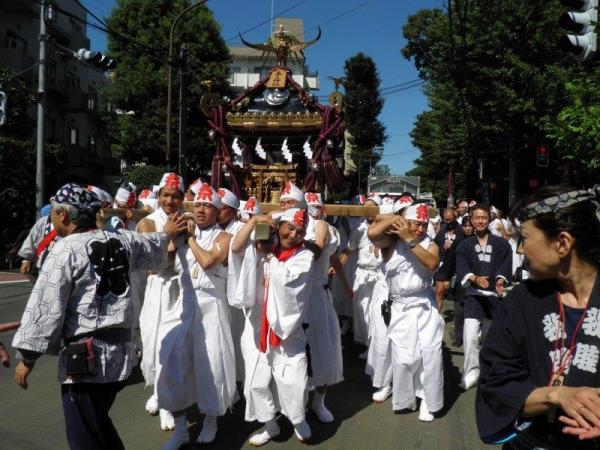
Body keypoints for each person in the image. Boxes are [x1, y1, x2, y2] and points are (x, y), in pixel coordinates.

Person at [12, 183, 187, 450]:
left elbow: (46, 306)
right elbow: (154, 247)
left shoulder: (65, 250)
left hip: (86, 359)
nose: (52, 219)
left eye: (55, 213)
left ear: (65, 216)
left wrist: (28, 357)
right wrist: (168, 234)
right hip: (121, 355)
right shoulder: (122, 239)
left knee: (83, 433)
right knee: (96, 422)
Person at [477, 185, 600, 449]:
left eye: (525, 238)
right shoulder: (521, 301)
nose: (521, 250)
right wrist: (556, 395)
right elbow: (496, 382)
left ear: (562, 243)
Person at [158, 183, 235, 449]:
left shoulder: (224, 238)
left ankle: (211, 419)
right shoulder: (181, 232)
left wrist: (189, 239)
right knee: (171, 364)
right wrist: (171, 242)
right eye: (198, 205)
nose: (201, 210)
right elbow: (163, 267)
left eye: (208, 206)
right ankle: (180, 430)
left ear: (218, 211)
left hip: (211, 307)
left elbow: (208, 262)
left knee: (211, 366)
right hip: (185, 305)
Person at [230, 208, 313, 446]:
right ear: (280, 226)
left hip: (287, 328)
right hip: (257, 324)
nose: (294, 234)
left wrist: (271, 258)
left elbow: (290, 284)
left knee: (295, 379)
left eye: (300, 231)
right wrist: (257, 223)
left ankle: (298, 419)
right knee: (255, 381)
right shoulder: (263, 244)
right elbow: (236, 251)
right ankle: (270, 425)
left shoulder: (304, 256)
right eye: (290, 227)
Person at [368, 203, 444, 422]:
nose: (420, 229)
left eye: (424, 224)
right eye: (415, 224)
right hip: (400, 308)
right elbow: (373, 234)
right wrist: (395, 220)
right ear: (405, 222)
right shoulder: (390, 242)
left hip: (424, 305)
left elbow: (431, 263)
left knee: (430, 353)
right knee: (405, 357)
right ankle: (406, 398)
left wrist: (409, 238)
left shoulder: (431, 244)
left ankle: (429, 400)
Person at [137, 172, 185, 430]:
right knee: (154, 341)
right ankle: (159, 393)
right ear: (158, 196)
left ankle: (170, 399)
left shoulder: (188, 221)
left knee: (175, 346)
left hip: (182, 288)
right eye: (166, 195)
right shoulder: (148, 222)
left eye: (175, 196)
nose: (170, 201)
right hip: (158, 289)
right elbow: (154, 263)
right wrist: (170, 239)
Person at [455, 203, 512, 390]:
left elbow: (506, 263)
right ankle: (471, 372)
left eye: (484, 217)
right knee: (470, 336)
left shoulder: (501, 244)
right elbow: (461, 265)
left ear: (490, 219)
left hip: (494, 297)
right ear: (471, 220)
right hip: (473, 296)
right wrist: (474, 278)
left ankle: (486, 371)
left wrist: (501, 280)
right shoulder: (464, 245)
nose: (480, 221)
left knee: (489, 337)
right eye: (477, 217)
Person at [303, 192, 346, 423]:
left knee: (323, 350)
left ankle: (319, 402)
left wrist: (346, 286)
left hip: (317, 295)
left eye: (317, 206)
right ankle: (294, 404)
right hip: (290, 297)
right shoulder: (285, 226)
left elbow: (327, 255)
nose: (313, 211)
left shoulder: (323, 228)